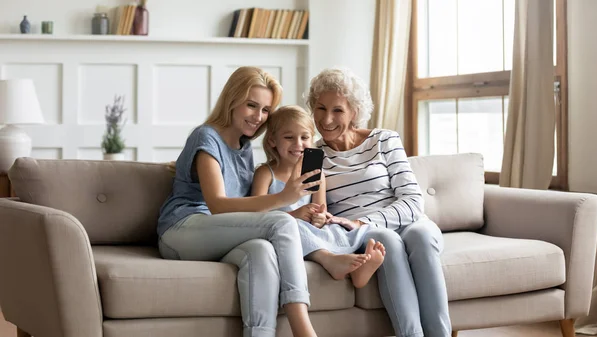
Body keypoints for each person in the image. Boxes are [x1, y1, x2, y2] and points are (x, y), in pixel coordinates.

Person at [157, 66, 321, 337]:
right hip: (182, 230)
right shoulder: (206, 136)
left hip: (218, 234)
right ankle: (303, 329)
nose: (258, 117)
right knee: (280, 224)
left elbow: (243, 208)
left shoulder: (244, 146)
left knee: (261, 251)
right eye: (251, 105)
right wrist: (282, 198)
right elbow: (218, 205)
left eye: (266, 110)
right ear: (232, 100)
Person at [306, 67, 452, 337]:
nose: (326, 119)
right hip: (364, 233)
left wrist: (362, 220)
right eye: (320, 108)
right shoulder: (313, 156)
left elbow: (411, 200)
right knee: (387, 240)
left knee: (420, 235)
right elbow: (315, 210)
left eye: (337, 110)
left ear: (354, 112)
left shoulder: (384, 139)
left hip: (405, 220)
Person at [251, 105, 385, 288]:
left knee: (340, 227)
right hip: (281, 231)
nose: (298, 144)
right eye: (289, 137)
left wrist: (319, 217)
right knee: (293, 227)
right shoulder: (265, 173)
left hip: (310, 230)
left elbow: (321, 211)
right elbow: (254, 216)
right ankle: (329, 259)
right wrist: (294, 215)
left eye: (304, 137)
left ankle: (358, 273)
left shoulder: (317, 175)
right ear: (273, 140)